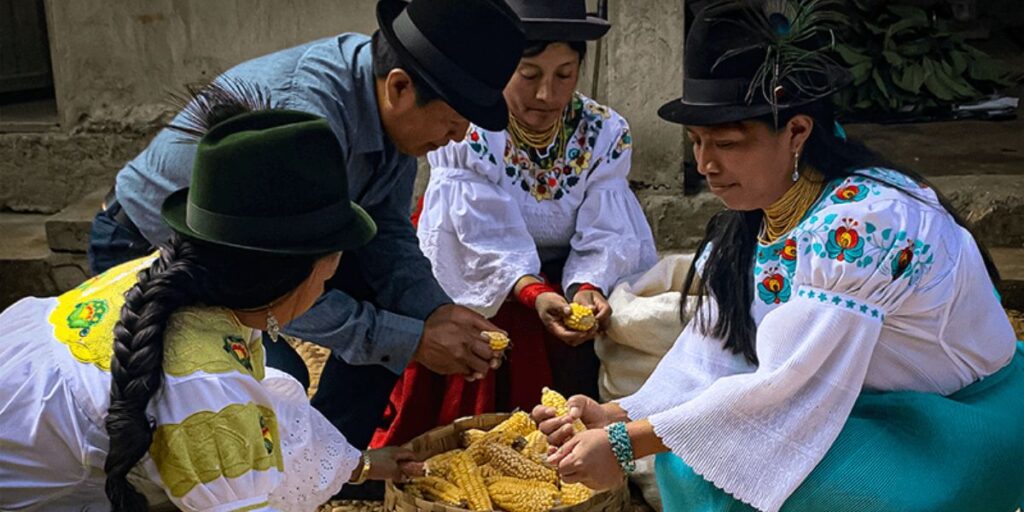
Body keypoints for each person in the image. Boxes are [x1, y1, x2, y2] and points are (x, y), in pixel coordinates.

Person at [533, 2, 1024, 512]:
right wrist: (618, 413)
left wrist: (625, 443)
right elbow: (717, 352)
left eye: (725, 142)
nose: (705, 164)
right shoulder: (761, 215)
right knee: (692, 463)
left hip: (960, 424)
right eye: (697, 142)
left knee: (750, 480)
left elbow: (789, 385)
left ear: (797, 132)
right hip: (871, 403)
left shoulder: (863, 223)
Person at [86, 0, 526, 453]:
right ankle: (277, 478)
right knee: (273, 381)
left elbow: (386, 230)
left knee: (394, 318)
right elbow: (272, 279)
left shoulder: (392, 109)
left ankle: (333, 466)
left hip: (263, 256)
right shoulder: (305, 122)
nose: (456, 138)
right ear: (399, 87)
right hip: (154, 249)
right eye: (453, 123)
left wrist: (431, 311)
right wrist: (410, 338)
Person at [0, 108, 426, 511]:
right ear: (290, 276)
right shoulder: (202, 380)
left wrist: (361, 464)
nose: (326, 286)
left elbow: (260, 421)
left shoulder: (178, 279)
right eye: (328, 275)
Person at [371, 0, 657, 448]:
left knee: (595, 323)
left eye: (564, 75)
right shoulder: (469, 126)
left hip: (562, 266)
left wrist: (588, 286)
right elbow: (481, 231)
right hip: (470, 256)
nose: (546, 94)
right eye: (529, 75)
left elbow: (606, 226)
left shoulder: (603, 131)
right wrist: (531, 290)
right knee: (496, 327)